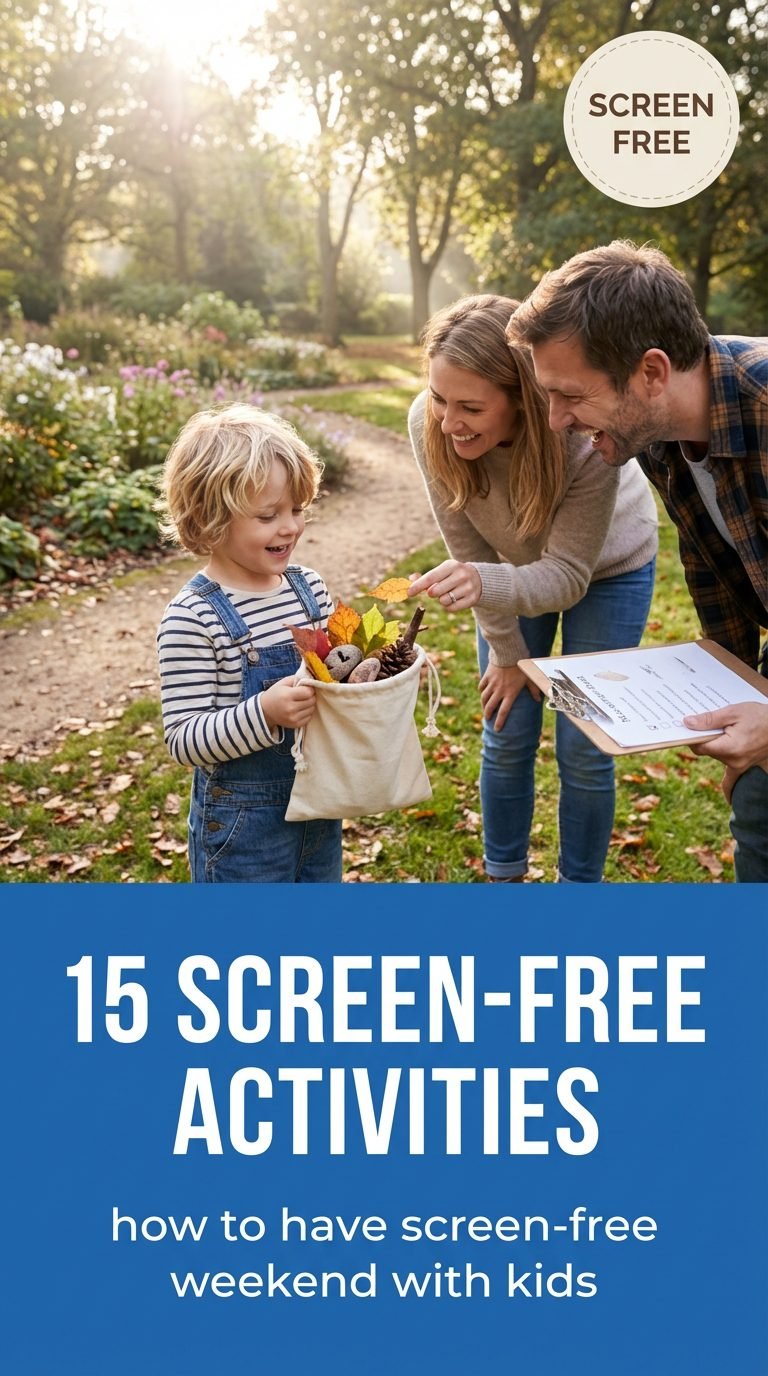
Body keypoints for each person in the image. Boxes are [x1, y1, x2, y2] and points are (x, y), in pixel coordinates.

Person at [507, 241, 768, 883]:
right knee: (758, 805)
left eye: (569, 395)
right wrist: (737, 694)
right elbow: (713, 572)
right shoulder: (653, 436)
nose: (555, 419)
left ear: (651, 372)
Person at [407, 294, 658, 883]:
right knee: (508, 730)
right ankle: (504, 885)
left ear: (525, 398)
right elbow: (466, 551)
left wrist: (480, 581)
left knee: (584, 745)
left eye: (470, 406)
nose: (447, 421)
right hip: (509, 574)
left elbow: (568, 576)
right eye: (440, 399)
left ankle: (577, 895)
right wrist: (509, 653)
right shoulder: (432, 424)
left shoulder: (586, 441)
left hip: (606, 573)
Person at [156, 402, 342, 883]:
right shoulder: (193, 617)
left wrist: (381, 678)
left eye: (297, 509)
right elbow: (183, 739)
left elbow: (336, 677)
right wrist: (264, 714)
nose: (291, 527)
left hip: (318, 809)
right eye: (267, 515)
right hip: (243, 830)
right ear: (209, 520)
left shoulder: (310, 590)